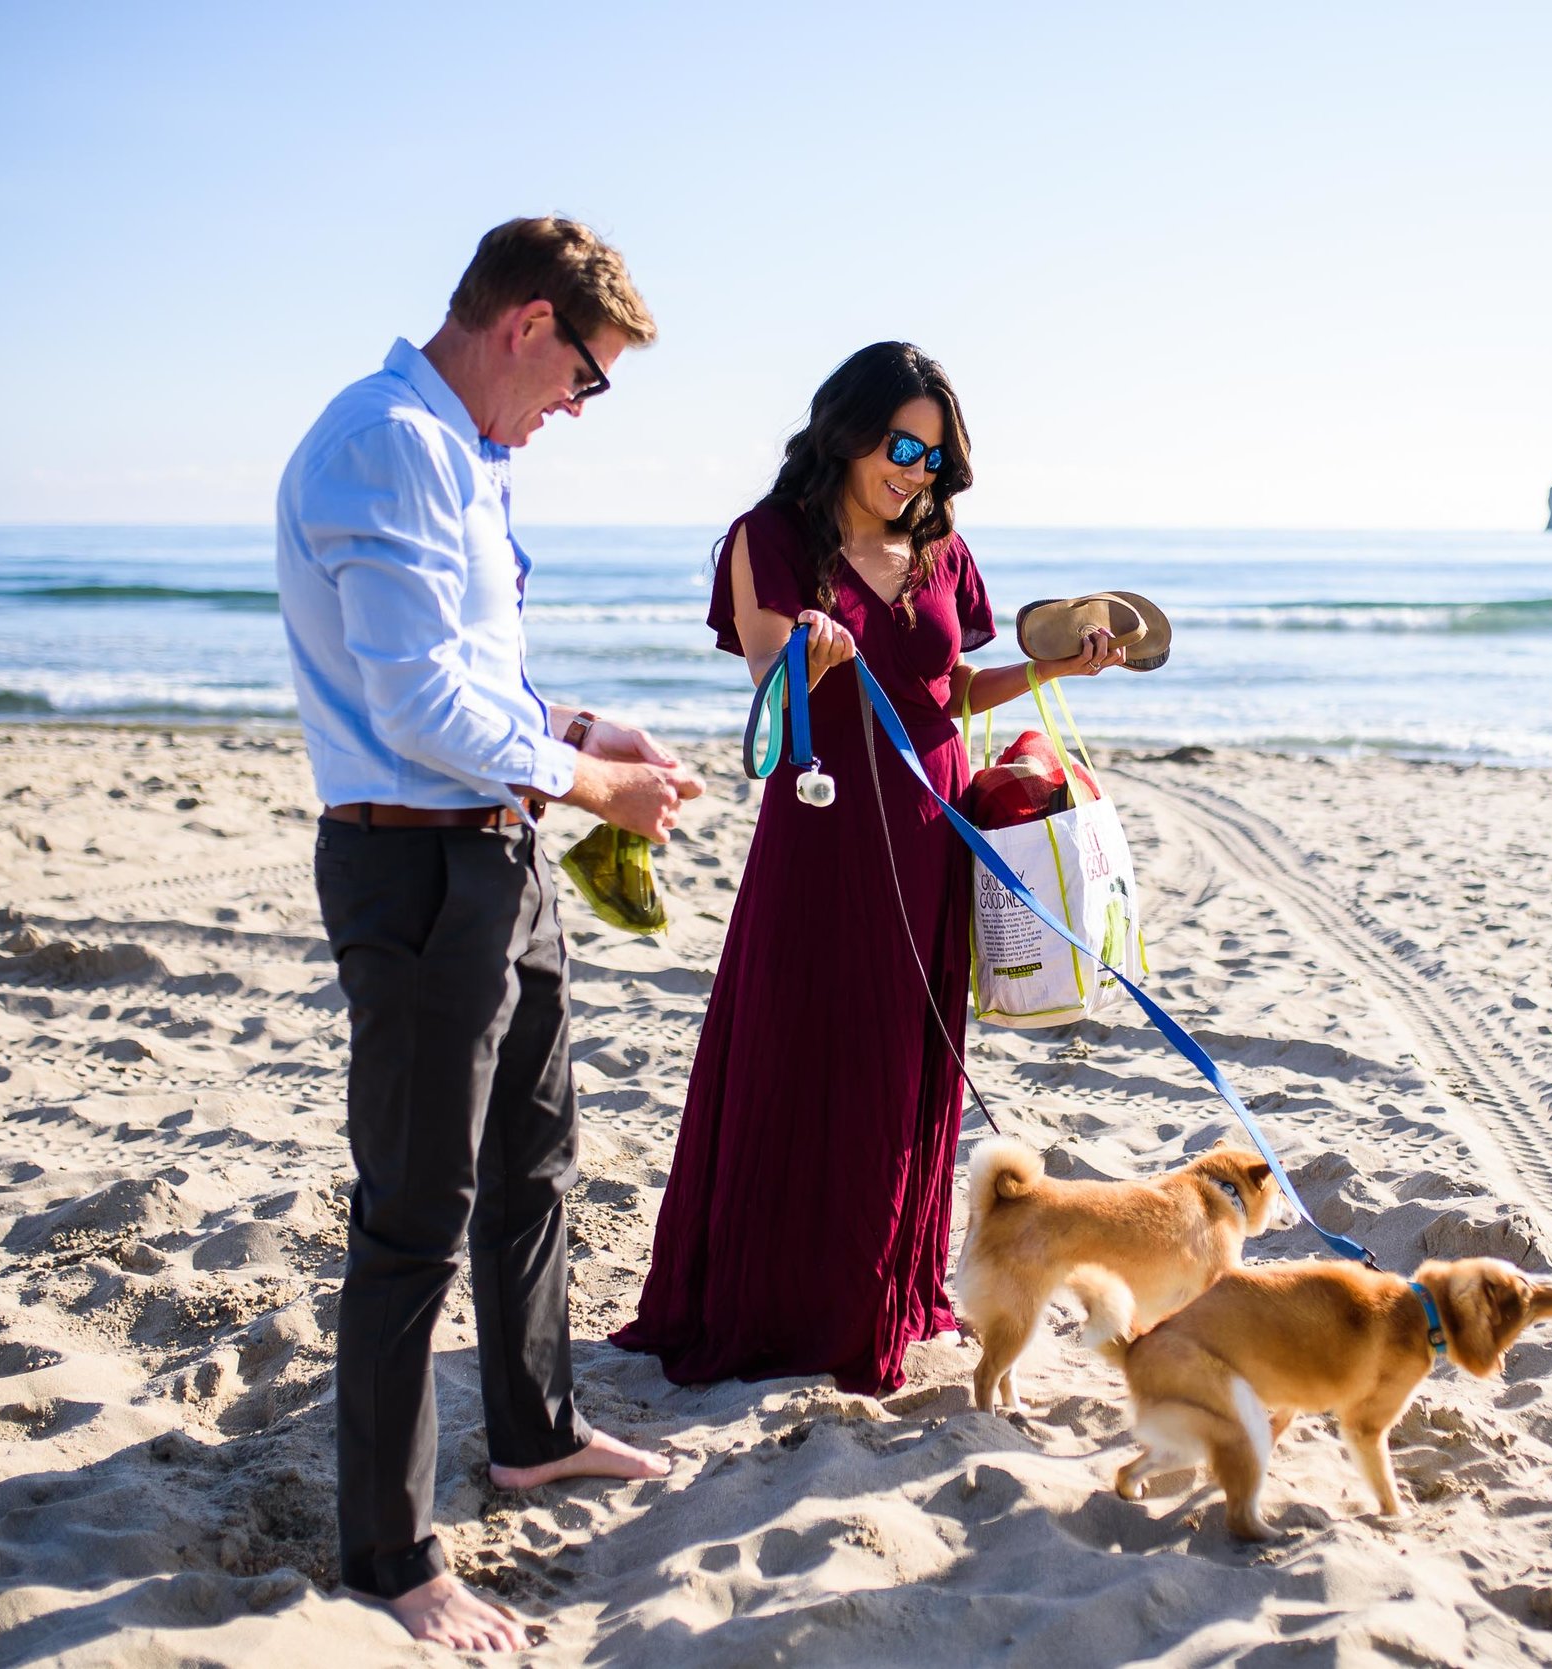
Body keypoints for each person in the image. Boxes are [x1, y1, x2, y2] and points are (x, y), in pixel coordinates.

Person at [274, 217, 705, 1654]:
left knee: (535, 1160)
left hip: (496, 854)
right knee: (414, 1215)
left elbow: (480, 680)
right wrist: (600, 787)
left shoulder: (469, 457)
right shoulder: (386, 443)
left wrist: (582, 729)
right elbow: (417, 716)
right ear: (529, 323)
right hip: (413, 871)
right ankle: (391, 1558)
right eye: (587, 377)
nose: (577, 410)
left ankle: (533, 1432)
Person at [611, 342, 1121, 1395]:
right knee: (804, 1051)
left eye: (934, 458)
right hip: (827, 825)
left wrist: (1054, 668)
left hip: (931, 828)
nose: (914, 473)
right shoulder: (770, 539)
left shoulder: (943, 548)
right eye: (900, 447)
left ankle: (880, 1291)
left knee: (901, 1065)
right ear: (844, 431)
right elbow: (765, 672)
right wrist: (807, 644)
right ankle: (784, 1307)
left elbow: (949, 689)